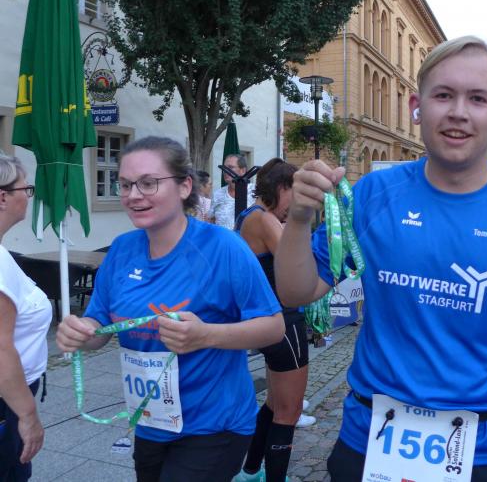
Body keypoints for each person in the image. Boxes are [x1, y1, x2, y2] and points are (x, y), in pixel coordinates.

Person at [276, 36, 487, 481]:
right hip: (370, 441)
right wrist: (298, 219)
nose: (459, 112)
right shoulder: (372, 196)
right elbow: (297, 291)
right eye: (443, 95)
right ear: (416, 107)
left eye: (477, 99)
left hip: (486, 453)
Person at [56, 136, 285, 482]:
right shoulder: (121, 250)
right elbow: (99, 323)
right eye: (125, 185)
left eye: (148, 183)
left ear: (184, 186)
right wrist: (81, 332)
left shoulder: (223, 247)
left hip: (214, 424)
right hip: (151, 420)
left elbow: (273, 326)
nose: (134, 195)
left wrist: (206, 335)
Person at [233, 158, 313, 482]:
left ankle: (251, 471)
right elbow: (299, 265)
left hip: (269, 320)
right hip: (285, 322)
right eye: (294, 193)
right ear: (281, 188)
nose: (294, 204)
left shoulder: (247, 215)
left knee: (273, 404)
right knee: (289, 411)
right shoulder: (265, 220)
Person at [0, 154, 48, 481]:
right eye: (26, 189)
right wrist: (28, 415)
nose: (28, 196)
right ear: (3, 197)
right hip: (7, 403)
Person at [210, 153, 255, 230]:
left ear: (243, 170)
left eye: (230, 167)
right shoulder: (218, 194)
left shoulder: (255, 192)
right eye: (224, 167)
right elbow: (211, 219)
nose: (225, 171)